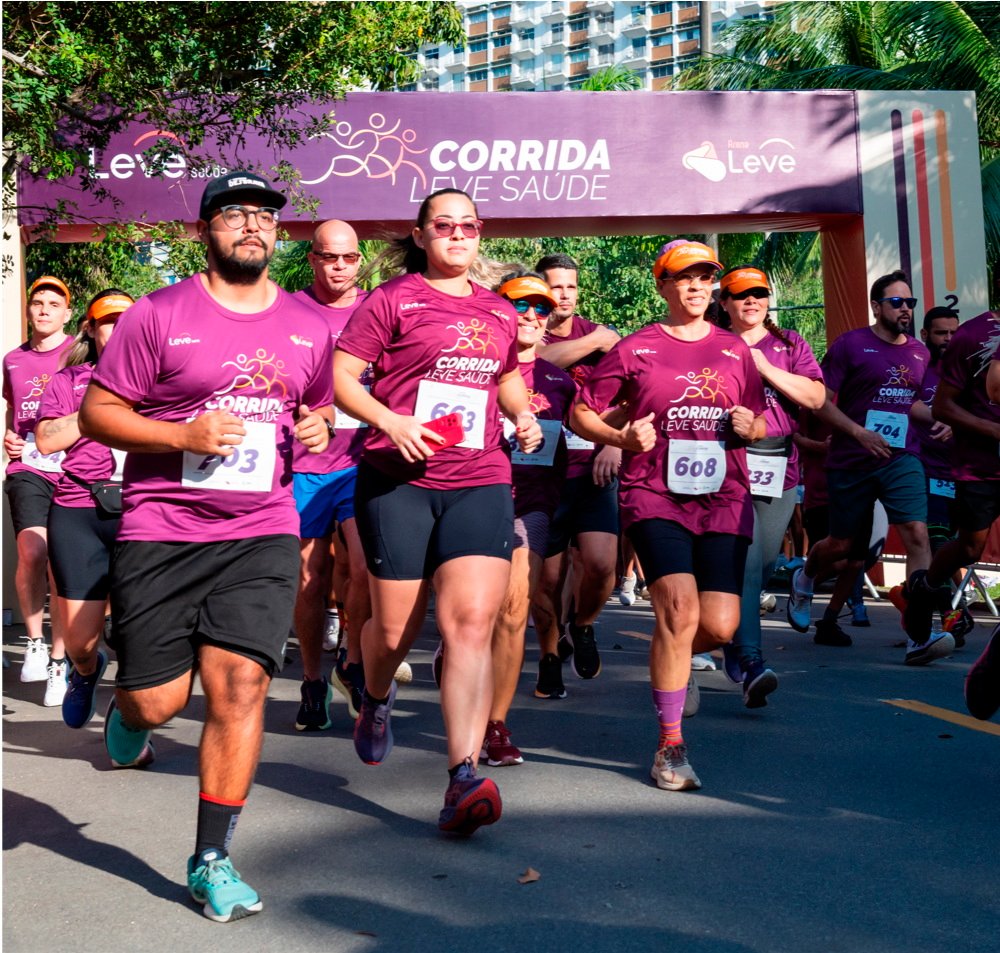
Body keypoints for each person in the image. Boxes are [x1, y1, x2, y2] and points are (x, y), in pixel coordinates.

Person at [78, 171, 334, 922]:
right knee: (160, 700)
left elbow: (312, 408)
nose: (251, 225)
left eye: (263, 215)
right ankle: (129, 712)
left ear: (276, 234)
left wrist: (317, 428)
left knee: (241, 686)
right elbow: (98, 412)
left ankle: (212, 856)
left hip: (260, 530)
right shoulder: (157, 315)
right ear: (205, 231)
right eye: (233, 215)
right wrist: (178, 434)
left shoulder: (306, 324)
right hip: (161, 528)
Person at [333, 188, 541, 835]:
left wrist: (523, 414)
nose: (457, 235)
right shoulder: (391, 300)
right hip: (398, 479)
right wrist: (390, 420)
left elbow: (504, 376)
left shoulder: (497, 311)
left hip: (479, 476)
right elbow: (343, 376)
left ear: (480, 235)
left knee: (471, 624)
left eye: (468, 226)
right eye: (444, 225)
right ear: (421, 235)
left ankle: (462, 775)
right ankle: (372, 693)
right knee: (394, 632)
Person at [570, 240, 766, 791]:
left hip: (724, 497)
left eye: (706, 277)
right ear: (662, 285)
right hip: (654, 492)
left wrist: (756, 428)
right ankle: (670, 746)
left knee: (718, 626)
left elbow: (762, 418)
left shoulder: (735, 349)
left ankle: (672, 661)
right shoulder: (637, 349)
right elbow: (581, 411)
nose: (697, 286)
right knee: (678, 609)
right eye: (684, 278)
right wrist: (619, 436)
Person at [785, 270, 954, 665]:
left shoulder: (918, 351)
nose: (905, 310)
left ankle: (919, 635)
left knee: (917, 534)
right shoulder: (850, 345)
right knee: (842, 546)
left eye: (910, 303)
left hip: (901, 456)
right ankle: (805, 577)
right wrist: (859, 433)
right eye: (897, 302)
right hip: (852, 459)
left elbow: (908, 403)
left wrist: (938, 419)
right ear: (876, 306)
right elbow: (819, 401)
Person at [714, 266, 825, 706]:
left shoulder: (789, 344)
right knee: (746, 564)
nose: (752, 301)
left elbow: (816, 398)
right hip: (730, 461)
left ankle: (725, 632)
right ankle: (752, 661)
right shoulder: (713, 342)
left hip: (780, 463)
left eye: (759, 293)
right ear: (724, 303)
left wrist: (763, 366)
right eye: (741, 295)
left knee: (759, 564)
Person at [483, 269, 574, 760]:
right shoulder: (469, 368)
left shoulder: (560, 381)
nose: (533, 316)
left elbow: (586, 429)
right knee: (475, 614)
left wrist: (618, 444)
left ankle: (496, 725)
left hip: (531, 503)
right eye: (521, 305)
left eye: (542, 308)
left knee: (515, 608)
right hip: (471, 495)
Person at [34, 290, 134, 733]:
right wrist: (99, 408)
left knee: (139, 628)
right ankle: (86, 670)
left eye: (127, 321)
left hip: (140, 510)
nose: (119, 330)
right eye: (108, 322)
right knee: (78, 639)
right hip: (78, 509)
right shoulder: (68, 381)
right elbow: (47, 440)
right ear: (91, 329)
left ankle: (130, 712)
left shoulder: (163, 379)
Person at [289, 219, 371, 730]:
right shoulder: (287, 308)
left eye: (348, 258)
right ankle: (313, 680)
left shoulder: (378, 308)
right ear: (313, 259)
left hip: (363, 459)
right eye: (328, 257)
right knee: (310, 578)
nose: (338, 266)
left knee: (364, 569)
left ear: (359, 260)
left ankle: (350, 659)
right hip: (303, 464)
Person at [532, 253, 621, 684]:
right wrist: (592, 343)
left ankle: (584, 623)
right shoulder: (528, 328)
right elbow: (534, 361)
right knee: (546, 580)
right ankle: (549, 656)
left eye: (571, 286)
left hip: (594, 468)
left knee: (602, 564)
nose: (564, 294)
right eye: (556, 286)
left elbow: (630, 394)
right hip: (541, 473)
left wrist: (612, 442)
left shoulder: (605, 336)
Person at [906, 296, 999, 644]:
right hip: (980, 467)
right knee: (969, 549)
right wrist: (991, 430)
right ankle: (924, 589)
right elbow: (943, 406)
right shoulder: (973, 336)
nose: (945, 336)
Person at [3, 276, 74, 702]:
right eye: (38, 302)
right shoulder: (13, 359)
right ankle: (34, 643)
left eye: (54, 303)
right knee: (32, 551)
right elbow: (14, 409)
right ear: (29, 311)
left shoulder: (80, 353)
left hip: (73, 469)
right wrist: (8, 438)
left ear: (67, 313)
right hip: (28, 465)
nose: (44, 309)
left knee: (60, 567)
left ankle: (59, 662)